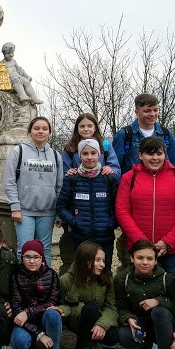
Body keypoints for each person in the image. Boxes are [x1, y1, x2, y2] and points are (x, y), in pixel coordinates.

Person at [114, 136, 175, 275]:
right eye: (150, 154)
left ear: (165, 154)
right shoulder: (129, 178)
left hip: (173, 250)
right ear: (140, 155)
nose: (155, 158)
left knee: (174, 292)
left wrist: (168, 242)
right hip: (140, 250)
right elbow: (122, 211)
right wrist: (142, 243)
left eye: (159, 153)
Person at [114, 239, 175, 349]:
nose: (145, 262)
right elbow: (120, 306)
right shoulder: (121, 278)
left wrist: (158, 301)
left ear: (156, 260)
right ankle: (144, 348)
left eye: (149, 259)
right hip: (140, 322)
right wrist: (128, 318)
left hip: (163, 323)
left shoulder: (167, 279)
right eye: (140, 258)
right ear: (132, 258)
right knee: (125, 336)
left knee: (158, 312)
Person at [57, 113, 120, 272]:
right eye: (82, 126)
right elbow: (62, 203)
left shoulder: (106, 147)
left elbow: (119, 204)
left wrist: (111, 223)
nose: (89, 157)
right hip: (80, 225)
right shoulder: (70, 149)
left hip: (104, 230)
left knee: (104, 268)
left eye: (89, 125)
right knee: (81, 267)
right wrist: (74, 221)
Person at [3, 116, 63, 264]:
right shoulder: (18, 151)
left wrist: (59, 213)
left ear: (49, 132)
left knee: (45, 250)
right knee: (24, 249)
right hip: (24, 211)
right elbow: (9, 181)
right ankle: (23, 284)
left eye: (44, 129)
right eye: (36, 128)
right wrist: (15, 207)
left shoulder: (56, 156)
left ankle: (46, 283)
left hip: (47, 211)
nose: (40, 131)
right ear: (30, 131)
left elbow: (59, 186)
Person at [59, 241, 119, 349]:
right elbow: (61, 306)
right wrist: (74, 309)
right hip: (75, 320)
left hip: (96, 320)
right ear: (84, 259)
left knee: (113, 337)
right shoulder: (65, 280)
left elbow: (112, 307)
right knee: (91, 308)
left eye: (103, 260)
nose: (102, 264)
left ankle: (92, 342)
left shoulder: (107, 278)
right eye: (97, 260)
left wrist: (102, 325)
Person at [10, 239, 62, 349]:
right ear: (22, 258)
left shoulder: (51, 275)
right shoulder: (16, 276)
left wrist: (28, 312)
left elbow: (53, 302)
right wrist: (39, 333)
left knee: (53, 314)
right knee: (19, 342)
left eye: (36, 257)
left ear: (42, 258)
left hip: (44, 318)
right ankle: (32, 340)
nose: (32, 261)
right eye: (28, 257)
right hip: (25, 322)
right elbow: (16, 309)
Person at [112, 93, 175, 176]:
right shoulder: (125, 135)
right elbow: (115, 167)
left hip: (161, 186)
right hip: (133, 186)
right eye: (147, 111)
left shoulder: (166, 134)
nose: (152, 114)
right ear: (136, 112)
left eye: (155, 110)